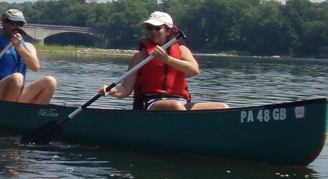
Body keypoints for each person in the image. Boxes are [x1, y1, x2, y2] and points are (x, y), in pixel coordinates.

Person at [98, 11, 229, 111]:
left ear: (168, 31)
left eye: (157, 28)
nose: (153, 31)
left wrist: (167, 59)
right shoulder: (141, 56)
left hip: (181, 102)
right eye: (149, 28)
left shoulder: (182, 51)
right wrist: (111, 90)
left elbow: (194, 70)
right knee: (176, 106)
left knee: (222, 107)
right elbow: (126, 89)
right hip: (149, 103)